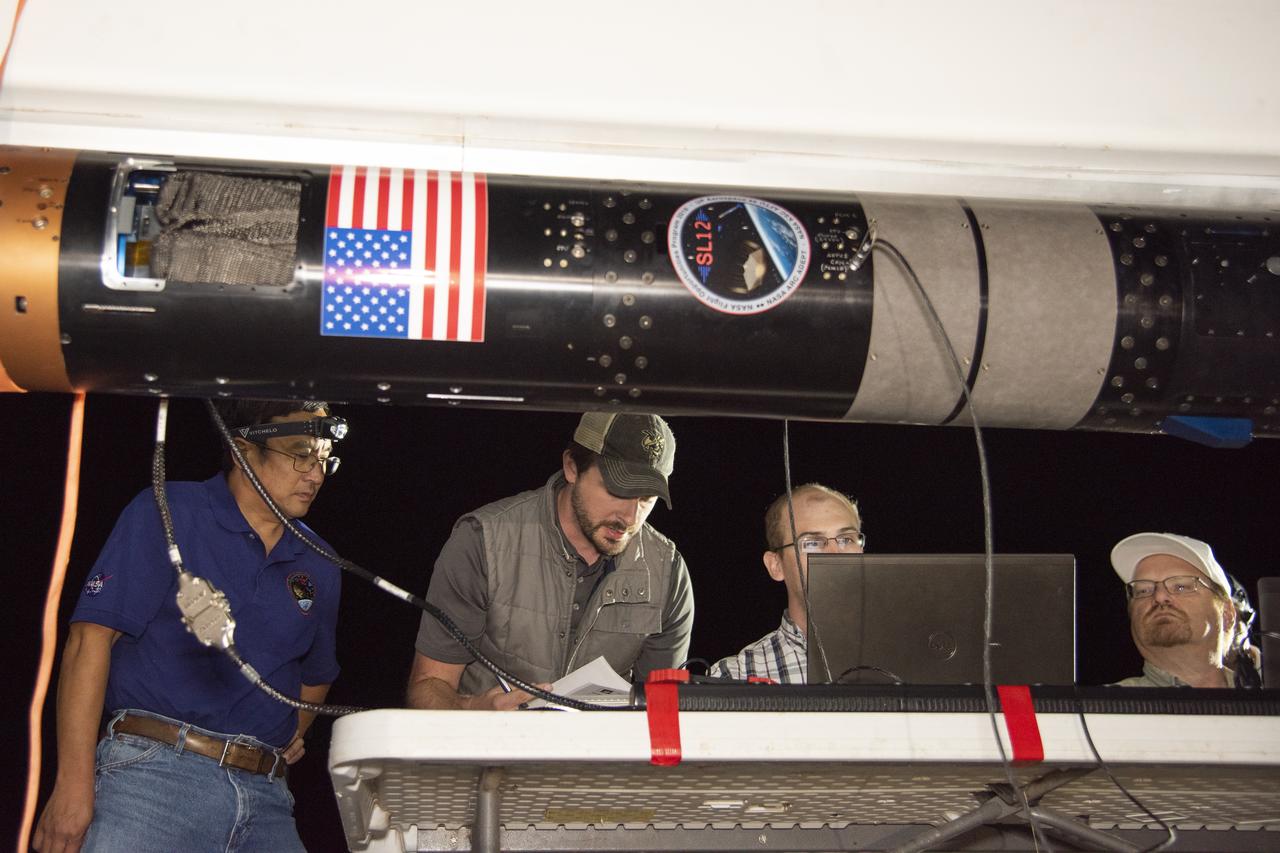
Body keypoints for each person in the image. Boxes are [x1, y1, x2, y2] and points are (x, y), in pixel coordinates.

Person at [33, 400, 347, 852]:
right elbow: (90, 640)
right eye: (300, 454)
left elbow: (317, 676)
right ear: (242, 451)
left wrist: (287, 733)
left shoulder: (320, 562)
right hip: (152, 778)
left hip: (268, 800)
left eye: (322, 459)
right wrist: (72, 787)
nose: (315, 475)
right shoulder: (169, 509)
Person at [407, 412, 694, 710]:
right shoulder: (482, 542)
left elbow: (663, 713)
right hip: (487, 750)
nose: (631, 518)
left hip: (599, 753)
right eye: (618, 490)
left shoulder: (668, 573)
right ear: (572, 467)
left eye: (647, 499)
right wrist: (476, 710)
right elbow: (427, 688)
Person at [711, 483, 864, 683]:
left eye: (846, 539)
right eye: (812, 543)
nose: (835, 555)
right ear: (776, 565)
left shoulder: (909, 651)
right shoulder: (736, 676)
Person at [1110, 532, 1246, 688]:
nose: (1159, 596)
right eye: (1143, 590)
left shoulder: (1266, 703)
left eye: (1181, 586)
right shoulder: (1096, 708)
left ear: (1227, 613)